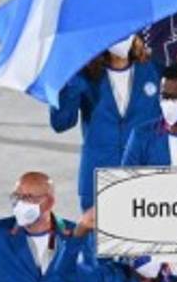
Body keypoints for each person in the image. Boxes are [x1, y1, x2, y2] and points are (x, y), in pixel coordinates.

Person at [50, 34, 162, 211]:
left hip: (146, 176)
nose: (121, 38)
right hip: (99, 179)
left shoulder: (154, 69)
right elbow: (61, 123)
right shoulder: (81, 76)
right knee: (100, 239)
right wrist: (68, 82)